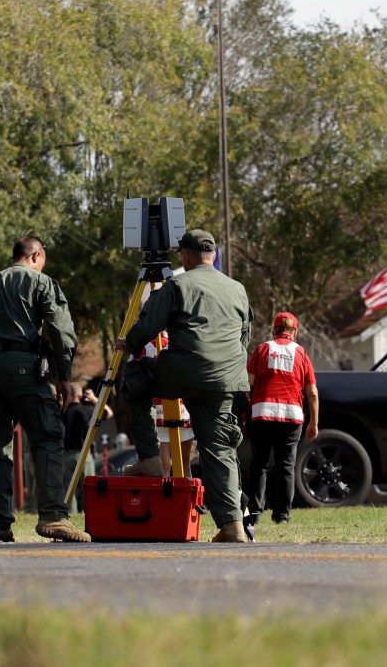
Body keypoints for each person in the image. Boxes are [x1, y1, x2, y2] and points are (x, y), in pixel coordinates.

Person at [0, 235, 90, 543]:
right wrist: (64, 377)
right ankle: (53, 516)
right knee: (49, 435)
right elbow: (62, 333)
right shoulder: (42, 284)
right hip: (25, 368)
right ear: (36, 256)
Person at [116, 228, 254, 543]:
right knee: (219, 448)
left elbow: (149, 325)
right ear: (214, 256)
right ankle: (232, 525)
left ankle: (150, 458)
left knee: (134, 380)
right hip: (225, 378)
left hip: (182, 373)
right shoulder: (237, 288)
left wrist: (130, 345)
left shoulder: (178, 283)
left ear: (187, 256)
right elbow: (244, 335)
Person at [243, 311, 318, 528]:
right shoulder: (301, 353)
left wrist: (249, 405)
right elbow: (312, 392)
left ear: (274, 330)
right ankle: (282, 516)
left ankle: (254, 514)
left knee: (259, 465)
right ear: (294, 331)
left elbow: (248, 384)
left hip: (262, 414)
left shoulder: (263, 349)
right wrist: (314, 421)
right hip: (291, 417)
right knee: (286, 467)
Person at [145, 335, 197, 479]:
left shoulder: (144, 346)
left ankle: (166, 494)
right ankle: (187, 497)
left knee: (165, 468)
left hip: (159, 405)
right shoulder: (180, 343)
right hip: (181, 404)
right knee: (185, 464)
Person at [63, 385, 110, 513]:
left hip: (66, 454)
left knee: (68, 489)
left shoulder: (62, 411)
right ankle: (89, 512)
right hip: (84, 454)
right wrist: (94, 399)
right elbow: (108, 413)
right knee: (88, 487)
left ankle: (70, 514)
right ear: (80, 395)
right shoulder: (87, 411)